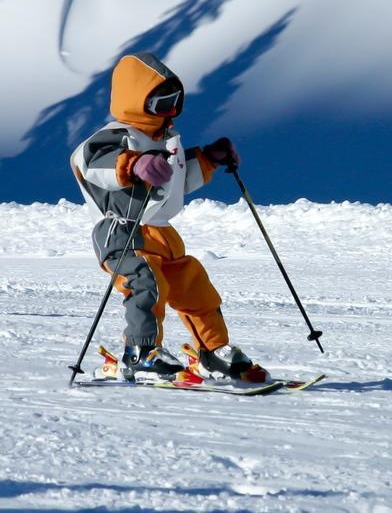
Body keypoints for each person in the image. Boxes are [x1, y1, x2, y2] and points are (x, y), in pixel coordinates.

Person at [70, 51, 266, 383]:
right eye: (161, 103)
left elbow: (176, 181)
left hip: (163, 232)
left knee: (194, 286)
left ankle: (212, 352)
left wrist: (207, 159)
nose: (170, 111)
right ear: (137, 101)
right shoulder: (117, 136)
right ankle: (140, 353)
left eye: (175, 102)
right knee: (148, 284)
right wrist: (131, 164)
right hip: (123, 233)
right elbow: (90, 163)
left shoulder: (167, 141)